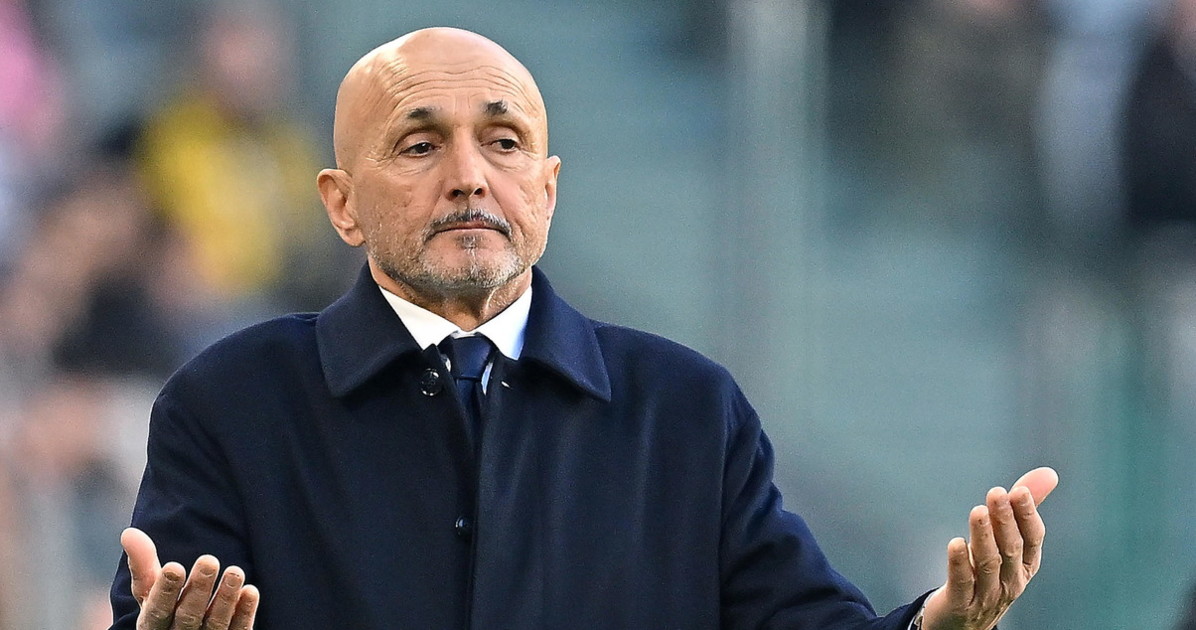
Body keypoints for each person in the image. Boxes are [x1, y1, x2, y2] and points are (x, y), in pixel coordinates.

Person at [108, 27, 1058, 630]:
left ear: (548, 190)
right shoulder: (228, 402)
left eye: (505, 142)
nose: (470, 177)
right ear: (341, 204)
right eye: (421, 144)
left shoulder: (686, 412)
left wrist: (940, 623)